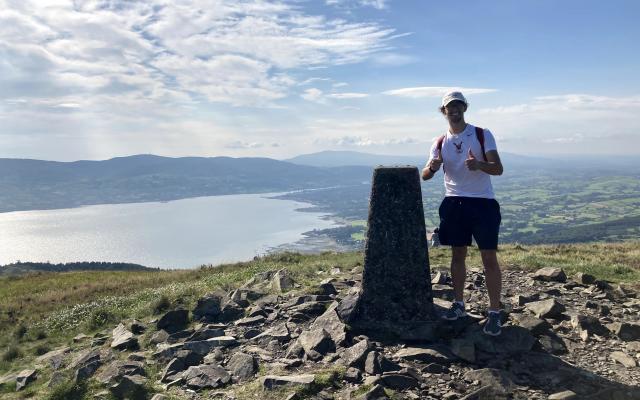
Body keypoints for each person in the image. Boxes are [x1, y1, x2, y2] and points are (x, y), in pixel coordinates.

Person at [421, 91, 504, 336]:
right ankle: (458, 304)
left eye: (458, 106)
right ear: (443, 111)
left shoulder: (481, 134)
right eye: (450, 107)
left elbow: (498, 168)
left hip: (482, 203)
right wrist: (432, 168)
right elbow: (424, 175)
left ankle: (495, 312)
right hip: (454, 202)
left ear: (464, 108)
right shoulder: (439, 142)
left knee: (488, 258)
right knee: (458, 256)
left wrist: (479, 165)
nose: (454, 111)